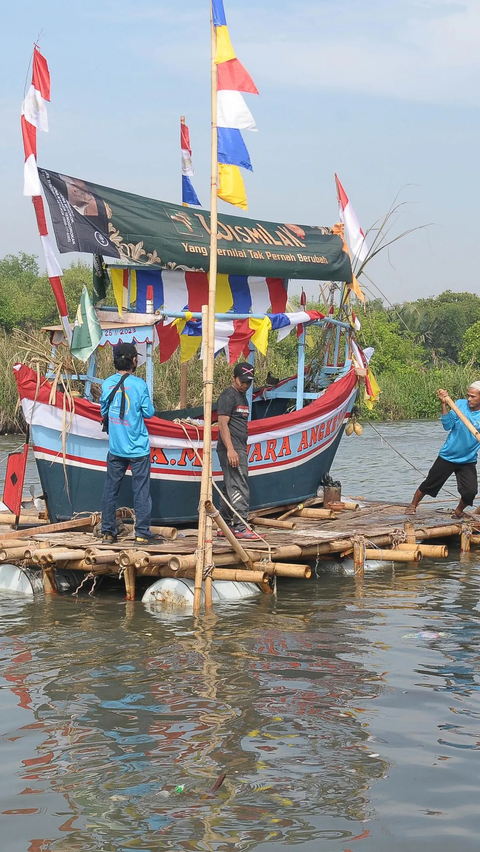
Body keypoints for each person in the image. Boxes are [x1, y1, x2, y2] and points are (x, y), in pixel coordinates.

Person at [100, 342, 162, 545]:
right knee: (141, 491)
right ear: (133, 360)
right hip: (138, 448)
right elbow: (149, 413)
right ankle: (142, 534)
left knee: (110, 490)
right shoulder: (139, 384)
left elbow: (103, 412)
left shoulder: (106, 383)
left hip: (116, 448)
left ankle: (108, 533)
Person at [406, 384, 480, 518]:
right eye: (468, 395)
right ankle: (412, 505)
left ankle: (458, 511)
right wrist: (444, 404)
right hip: (448, 456)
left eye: (473, 396)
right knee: (430, 483)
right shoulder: (459, 405)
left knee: (471, 491)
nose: (469, 399)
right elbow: (447, 425)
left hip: (468, 459)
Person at [216, 363, 260, 540]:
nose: (245, 385)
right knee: (241, 486)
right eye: (242, 381)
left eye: (248, 382)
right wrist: (231, 449)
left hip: (239, 447)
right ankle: (241, 527)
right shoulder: (228, 396)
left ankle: (224, 526)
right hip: (232, 449)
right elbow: (222, 424)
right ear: (234, 378)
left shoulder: (243, 398)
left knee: (229, 487)